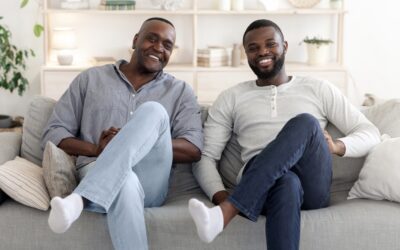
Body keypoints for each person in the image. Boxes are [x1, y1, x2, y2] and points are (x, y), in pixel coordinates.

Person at [188, 19, 380, 250]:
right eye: (253, 48)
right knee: (286, 181)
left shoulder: (318, 88)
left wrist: (337, 146)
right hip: (262, 190)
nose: (263, 52)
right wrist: (220, 196)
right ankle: (228, 207)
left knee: (306, 123)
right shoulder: (232, 97)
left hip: (313, 187)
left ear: (285, 46)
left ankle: (226, 213)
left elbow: (370, 133)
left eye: (271, 44)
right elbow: (205, 157)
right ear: (246, 54)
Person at [41, 17, 203, 250]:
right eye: (152, 38)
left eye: (167, 45)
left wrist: (140, 139)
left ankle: (79, 200)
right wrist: (96, 149)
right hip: (94, 168)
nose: (159, 47)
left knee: (154, 111)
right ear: (136, 40)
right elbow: (53, 132)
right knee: (124, 180)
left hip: (151, 183)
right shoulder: (91, 79)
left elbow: (194, 147)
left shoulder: (179, 91)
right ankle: (86, 195)